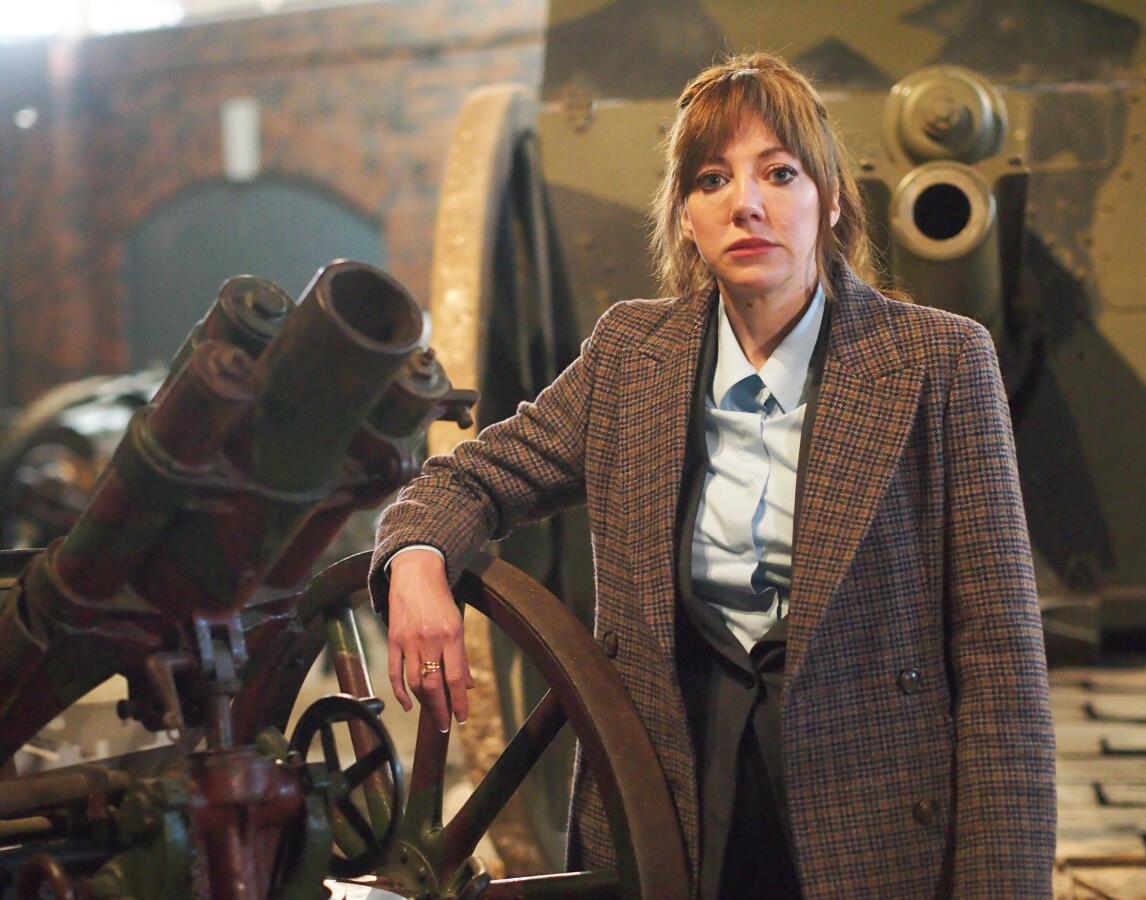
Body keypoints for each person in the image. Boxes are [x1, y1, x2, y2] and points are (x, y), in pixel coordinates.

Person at [370, 52, 1056, 899]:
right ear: (686, 218)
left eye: (780, 172)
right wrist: (415, 558)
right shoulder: (633, 357)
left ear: (831, 200)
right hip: (671, 806)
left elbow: (1000, 659)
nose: (748, 204)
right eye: (711, 180)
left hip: (877, 822)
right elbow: (472, 478)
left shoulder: (938, 361)